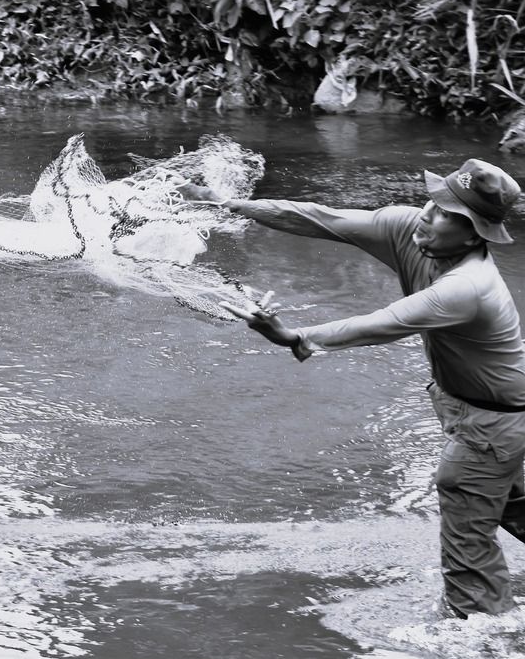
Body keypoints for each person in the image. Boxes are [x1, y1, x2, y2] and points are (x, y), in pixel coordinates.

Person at [180, 158, 525, 618]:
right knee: (513, 506)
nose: (427, 214)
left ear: (473, 235)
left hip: (491, 425)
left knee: (467, 528)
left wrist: (295, 336)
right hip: (473, 407)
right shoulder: (410, 228)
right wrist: (231, 205)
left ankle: (478, 631)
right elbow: (319, 217)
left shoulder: (469, 287)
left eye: (447, 214)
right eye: (434, 201)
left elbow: (382, 323)